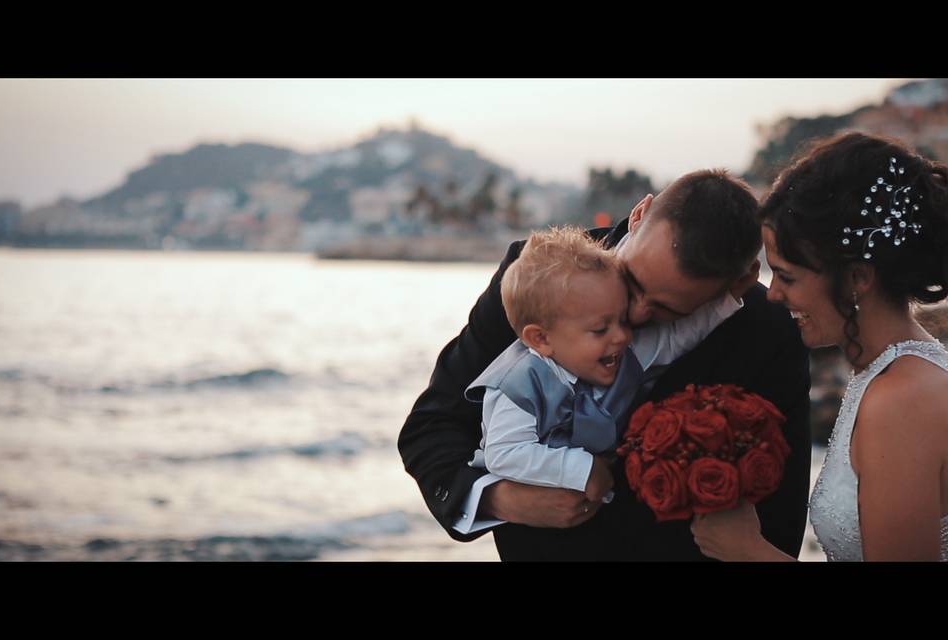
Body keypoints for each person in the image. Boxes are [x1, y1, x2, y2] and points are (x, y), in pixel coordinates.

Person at [399, 169, 813, 561]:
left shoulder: (768, 330)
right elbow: (433, 425)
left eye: (667, 309)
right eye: (631, 283)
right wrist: (502, 499)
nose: (634, 315)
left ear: (736, 284)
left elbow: (779, 514)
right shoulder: (533, 279)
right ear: (639, 215)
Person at [691, 132, 948, 562]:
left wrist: (748, 551)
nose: (773, 295)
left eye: (787, 277)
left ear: (856, 279)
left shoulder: (902, 400)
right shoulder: (887, 375)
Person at [465, 226, 741, 507]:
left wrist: (726, 299)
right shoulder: (518, 386)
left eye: (623, 320)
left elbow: (674, 339)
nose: (622, 336)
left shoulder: (621, 354)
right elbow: (505, 453)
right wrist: (582, 469)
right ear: (541, 338)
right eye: (600, 329)